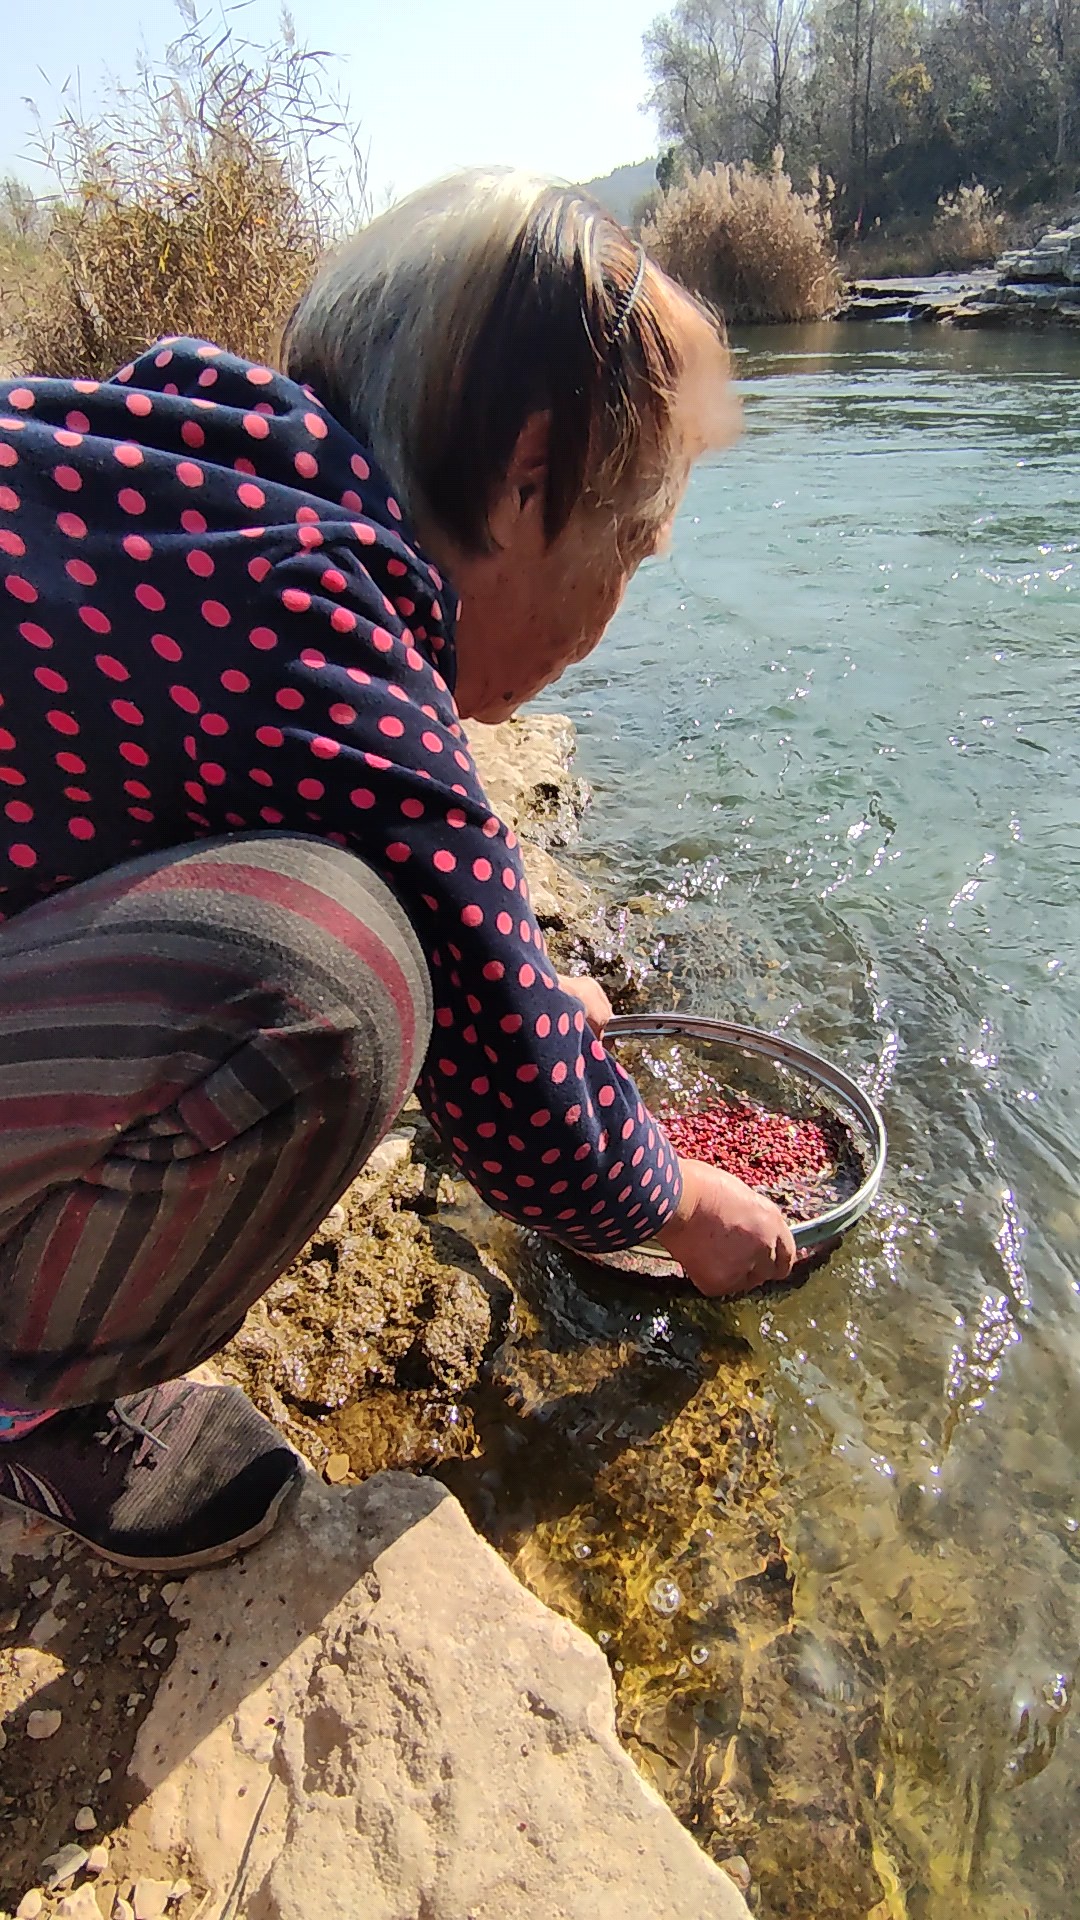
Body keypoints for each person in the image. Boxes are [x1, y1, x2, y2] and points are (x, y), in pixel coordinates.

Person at [0, 169, 795, 1573]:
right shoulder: (313, 618)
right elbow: (513, 1092)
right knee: (334, 979)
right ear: (528, 469)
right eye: (625, 548)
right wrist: (680, 1198)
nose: (606, 622)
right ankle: (22, 1405)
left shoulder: (183, 466)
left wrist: (524, 985)